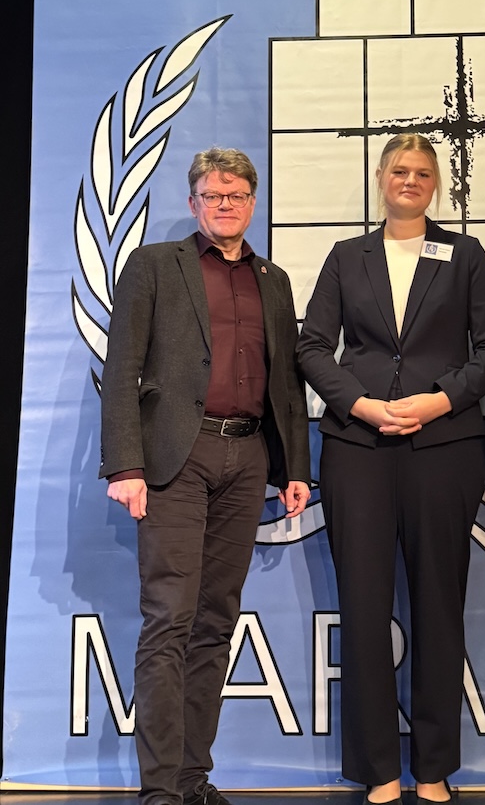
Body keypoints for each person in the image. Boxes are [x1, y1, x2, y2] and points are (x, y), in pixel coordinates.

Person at [297, 134, 485, 805]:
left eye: (422, 172)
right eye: (399, 170)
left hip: (444, 446)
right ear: (380, 178)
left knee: (438, 608)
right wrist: (360, 404)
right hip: (357, 448)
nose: (410, 180)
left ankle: (433, 769)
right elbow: (311, 346)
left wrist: (441, 399)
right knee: (363, 610)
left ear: (435, 182)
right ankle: (379, 772)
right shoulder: (346, 256)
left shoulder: (465, 255)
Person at [100, 147, 311, 805]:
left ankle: (193, 780)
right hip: (175, 459)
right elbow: (121, 367)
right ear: (193, 203)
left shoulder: (273, 279)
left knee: (217, 622)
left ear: (253, 203)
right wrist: (126, 464)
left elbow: (285, 380)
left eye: (237, 195)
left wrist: (294, 468)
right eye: (213, 195)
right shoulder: (154, 265)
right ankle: (161, 790)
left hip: (247, 460)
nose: (225, 205)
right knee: (170, 619)